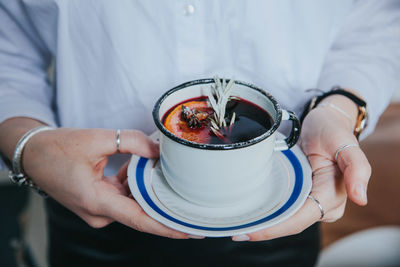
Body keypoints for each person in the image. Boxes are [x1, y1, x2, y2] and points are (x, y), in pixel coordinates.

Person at [0, 1, 399, 266]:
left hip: (281, 216)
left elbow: (371, 23)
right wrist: (27, 145)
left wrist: (337, 109)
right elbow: (8, 40)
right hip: (91, 208)